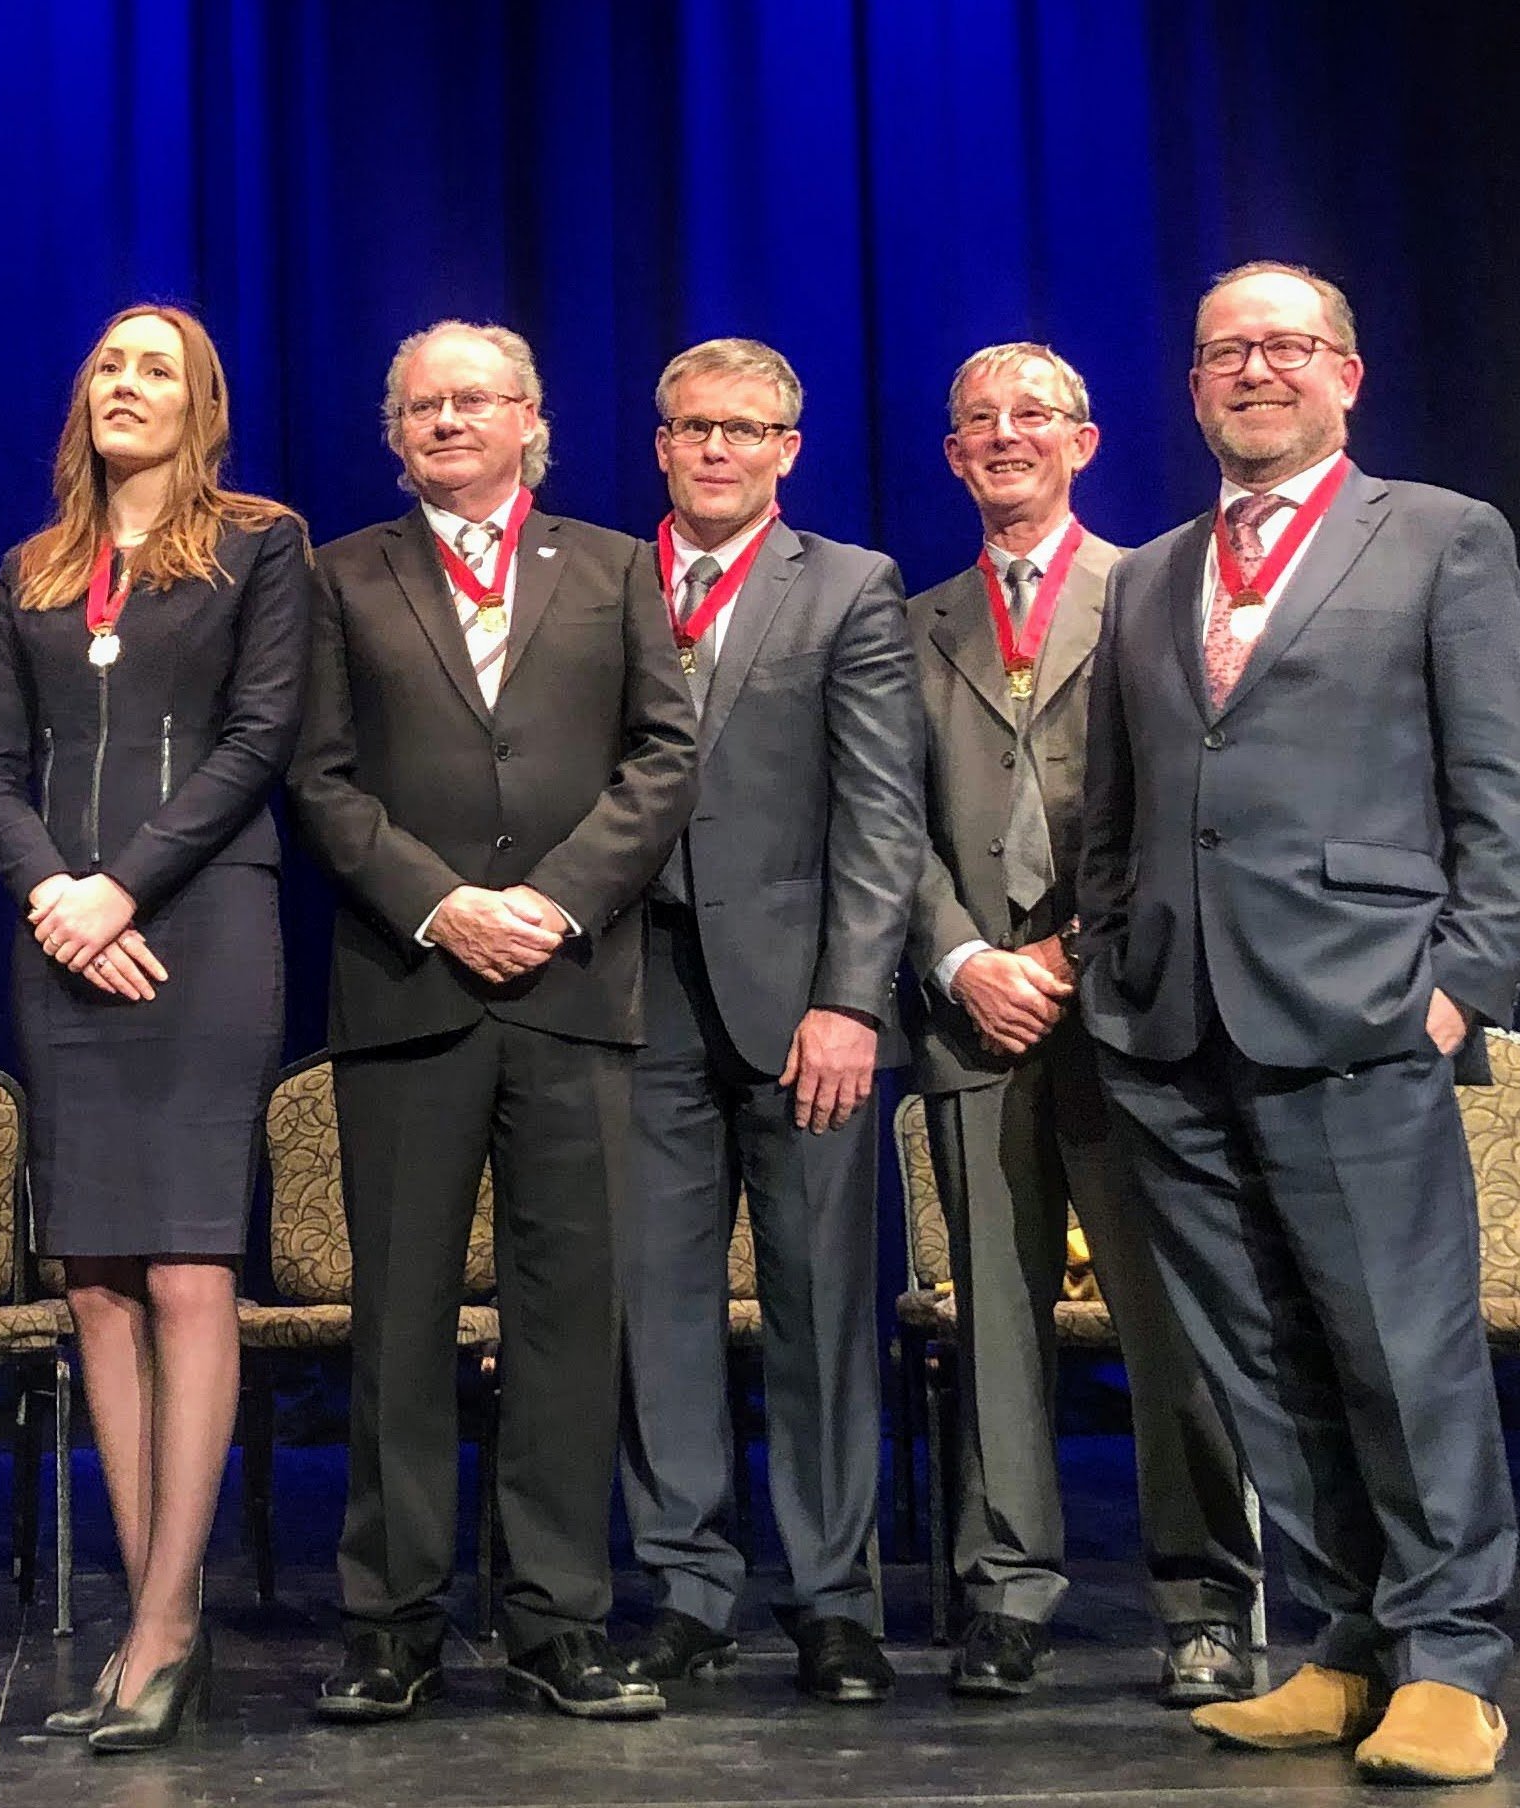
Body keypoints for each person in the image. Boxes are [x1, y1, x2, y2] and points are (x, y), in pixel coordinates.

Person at [1077, 263, 1520, 1784]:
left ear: (1350, 371)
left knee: (1398, 1353)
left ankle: (1452, 1662)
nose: (1255, 371)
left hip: (1360, 1009)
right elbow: (1118, 806)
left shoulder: (1439, 536)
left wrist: (1463, 983)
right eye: (1226, 352)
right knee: (1259, 1359)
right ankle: (1347, 1645)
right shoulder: (1149, 572)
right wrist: (1107, 968)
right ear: (1194, 385)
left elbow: (1506, 785)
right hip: (1171, 1022)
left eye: (1287, 347)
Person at [289, 320, 697, 1724]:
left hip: (576, 991)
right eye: (422, 405)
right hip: (409, 989)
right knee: (397, 1319)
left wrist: (557, 901)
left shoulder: (617, 566)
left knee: (570, 1319)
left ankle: (554, 1619)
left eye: (475, 399)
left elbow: (666, 756)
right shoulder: (340, 574)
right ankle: (392, 1619)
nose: (448, 420)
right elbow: (323, 781)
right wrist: (444, 903)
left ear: (533, 417)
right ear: (393, 433)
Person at [0, 304, 316, 1750]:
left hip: (200, 929)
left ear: (201, 402)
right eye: (105, 362)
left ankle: (173, 1622)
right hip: (63, 938)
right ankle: (142, 1613)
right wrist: (57, 893)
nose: (125, 383)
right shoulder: (30, 569)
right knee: (96, 1280)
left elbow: (259, 738)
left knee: (186, 1274)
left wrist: (121, 889)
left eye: (154, 367)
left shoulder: (260, 543)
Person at [903, 343, 1258, 1705]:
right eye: (979, 419)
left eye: (1032, 416)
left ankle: (1201, 1600)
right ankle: (1005, 1594)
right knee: (996, 1318)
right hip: (973, 1020)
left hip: (1131, 1013)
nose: (1005, 435)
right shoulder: (914, 614)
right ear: (952, 454)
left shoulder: (1160, 591)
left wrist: (1066, 949)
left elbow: (1178, 805)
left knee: (1172, 1319)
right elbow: (887, 824)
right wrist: (963, 957)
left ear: (1086, 441)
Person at [607, 338, 921, 1706]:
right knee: (658, 1306)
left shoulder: (848, 587)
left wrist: (852, 997)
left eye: (746, 429)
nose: (717, 450)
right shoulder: (607, 582)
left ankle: (833, 1599)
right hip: (636, 995)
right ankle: (685, 1587)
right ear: (661, 443)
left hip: (802, 1000)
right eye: (693, 428)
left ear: (790, 449)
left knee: (817, 1306)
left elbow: (880, 813)